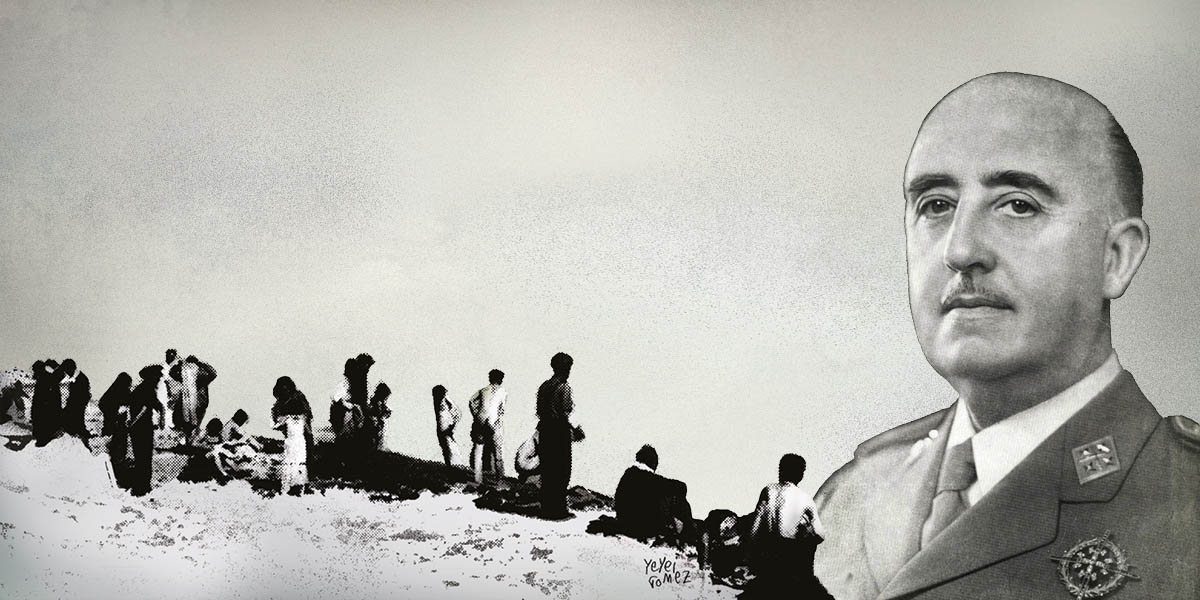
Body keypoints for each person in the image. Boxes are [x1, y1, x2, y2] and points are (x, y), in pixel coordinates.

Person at [813, 73, 1200, 600]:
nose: (960, 249)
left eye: (1018, 204)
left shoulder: (1186, 502)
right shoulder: (850, 498)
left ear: (1116, 258)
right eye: (936, 205)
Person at [748, 453, 828, 598]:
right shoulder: (804, 499)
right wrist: (807, 530)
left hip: (768, 553)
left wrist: (752, 552)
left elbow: (756, 525)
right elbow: (820, 534)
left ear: (781, 470)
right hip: (791, 557)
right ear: (801, 474)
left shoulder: (768, 490)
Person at [535, 352, 582, 519]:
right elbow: (567, 412)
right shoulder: (564, 387)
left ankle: (547, 507)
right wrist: (577, 429)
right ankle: (558, 510)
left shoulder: (543, 386)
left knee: (548, 469)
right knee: (562, 470)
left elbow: (539, 411)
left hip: (545, 430)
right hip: (559, 431)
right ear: (566, 368)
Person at [127, 365, 165, 495]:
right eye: (157, 377)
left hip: (141, 428)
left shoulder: (143, 388)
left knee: (142, 458)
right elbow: (145, 409)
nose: (159, 380)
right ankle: (141, 487)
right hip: (142, 428)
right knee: (144, 458)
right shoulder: (147, 389)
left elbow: (157, 406)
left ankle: (142, 486)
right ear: (152, 377)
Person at [272, 376, 312, 495]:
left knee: (304, 459)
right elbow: (276, 418)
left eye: (287, 389)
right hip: (291, 433)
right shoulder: (280, 402)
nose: (286, 391)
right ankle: (295, 485)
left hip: (302, 430)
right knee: (292, 460)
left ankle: (303, 484)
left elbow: (307, 412)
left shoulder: (298, 396)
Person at [468, 369, 507, 484]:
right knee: (498, 451)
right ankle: (499, 479)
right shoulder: (503, 391)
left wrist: (475, 414)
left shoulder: (483, 390)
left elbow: (471, 401)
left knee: (478, 449)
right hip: (493, 421)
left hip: (480, 419)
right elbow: (501, 410)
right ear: (500, 379)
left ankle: (477, 478)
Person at [170, 355, 217, 445]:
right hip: (197, 406)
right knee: (192, 427)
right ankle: (189, 442)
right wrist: (201, 364)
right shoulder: (199, 376)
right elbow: (213, 373)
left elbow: (172, 373)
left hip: (194, 406)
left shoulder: (194, 377)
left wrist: (180, 365)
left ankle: (189, 442)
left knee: (190, 427)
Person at [30, 359, 64, 446]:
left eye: (35, 370)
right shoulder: (46, 378)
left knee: (44, 423)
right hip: (45, 412)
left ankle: (44, 437)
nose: (34, 372)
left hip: (47, 412)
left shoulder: (47, 379)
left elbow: (61, 374)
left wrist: (54, 365)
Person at [59, 359, 91, 444]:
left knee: (76, 424)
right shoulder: (76, 377)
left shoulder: (81, 379)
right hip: (75, 405)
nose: (66, 373)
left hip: (77, 405)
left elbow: (83, 395)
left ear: (71, 368)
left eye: (66, 370)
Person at [432, 385, 461, 466]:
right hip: (442, 427)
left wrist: (453, 425)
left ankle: (452, 467)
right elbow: (457, 412)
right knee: (446, 449)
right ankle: (450, 467)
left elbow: (457, 412)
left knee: (448, 449)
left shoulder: (445, 400)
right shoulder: (440, 400)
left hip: (445, 427)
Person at [98, 373, 133, 437]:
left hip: (113, 422)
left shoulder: (113, 390)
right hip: (115, 422)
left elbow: (101, 404)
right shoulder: (123, 390)